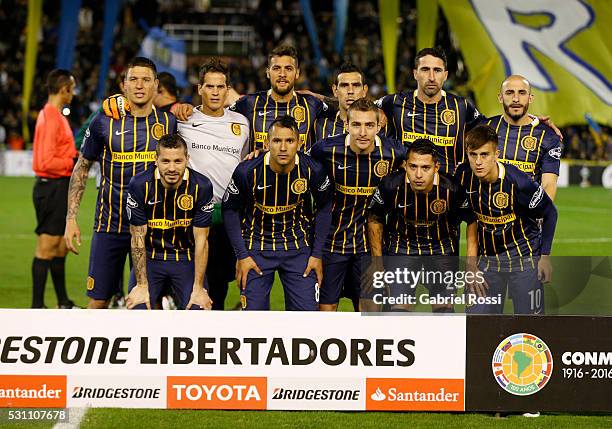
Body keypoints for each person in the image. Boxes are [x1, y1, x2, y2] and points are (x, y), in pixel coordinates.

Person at [64, 56, 177, 309]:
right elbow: (82, 168)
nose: (139, 85)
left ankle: (148, 349)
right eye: (133, 79)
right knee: (98, 300)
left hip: (153, 227)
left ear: (156, 85)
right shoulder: (104, 121)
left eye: (146, 80)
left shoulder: (168, 123)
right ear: (123, 84)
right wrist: (71, 218)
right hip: (109, 224)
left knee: (147, 300)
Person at [375, 47, 562, 175]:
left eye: (437, 70)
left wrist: (529, 121)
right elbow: (360, 113)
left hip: (447, 199)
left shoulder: (461, 107)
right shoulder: (394, 103)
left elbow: (493, 128)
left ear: (445, 75)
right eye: (425, 70)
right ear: (415, 73)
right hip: (404, 194)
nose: (431, 77)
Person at [222, 115, 333, 311]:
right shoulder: (247, 171)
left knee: (307, 318)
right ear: (267, 143)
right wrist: (242, 255)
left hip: (298, 248)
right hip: (256, 248)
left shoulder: (313, 169)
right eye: (277, 141)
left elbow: (325, 207)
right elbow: (229, 209)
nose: (283, 147)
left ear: (299, 143)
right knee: (253, 319)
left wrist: (316, 254)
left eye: (289, 141)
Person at [309, 98, 405, 311]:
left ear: (379, 126)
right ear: (346, 125)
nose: (363, 132)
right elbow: (297, 165)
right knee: (326, 310)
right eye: (357, 124)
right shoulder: (325, 150)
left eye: (369, 125)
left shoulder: (394, 153)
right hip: (332, 244)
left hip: (369, 249)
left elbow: (421, 163)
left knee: (370, 311)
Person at [456, 125, 558, 314]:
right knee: (477, 325)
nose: (478, 161)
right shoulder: (463, 177)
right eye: (473, 155)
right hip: (487, 263)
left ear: (496, 154)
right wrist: (470, 265)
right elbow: (471, 219)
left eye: (485, 155)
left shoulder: (519, 182)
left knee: (530, 327)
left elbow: (550, 213)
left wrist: (544, 257)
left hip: (524, 261)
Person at [177, 58, 250, 309]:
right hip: (192, 213)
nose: (216, 92)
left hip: (226, 214)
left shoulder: (241, 123)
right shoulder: (183, 120)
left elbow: (245, 163)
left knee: (220, 282)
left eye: (221, 87)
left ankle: (214, 334)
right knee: (190, 280)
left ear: (227, 89)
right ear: (200, 89)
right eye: (210, 86)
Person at [367, 139, 468, 312]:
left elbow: (471, 220)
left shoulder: (452, 188)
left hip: (441, 248)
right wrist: (377, 262)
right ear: (405, 165)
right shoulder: (391, 185)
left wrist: (471, 265)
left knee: (444, 311)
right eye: (413, 167)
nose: (418, 174)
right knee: (399, 311)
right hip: (402, 247)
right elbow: (374, 218)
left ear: (436, 167)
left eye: (425, 168)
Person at [125, 134, 214, 310]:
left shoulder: (201, 186)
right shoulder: (139, 184)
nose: (172, 168)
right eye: (165, 161)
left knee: (198, 309)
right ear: (155, 160)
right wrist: (142, 286)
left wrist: (198, 287)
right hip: (151, 256)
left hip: (185, 257)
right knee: (138, 307)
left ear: (187, 159)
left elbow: (202, 240)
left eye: (178, 161)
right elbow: (137, 237)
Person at [31, 69, 78, 309]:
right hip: (52, 188)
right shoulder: (50, 117)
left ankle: (62, 302)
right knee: (47, 247)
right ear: (64, 89)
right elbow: (44, 162)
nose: (74, 93)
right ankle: (37, 307)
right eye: (72, 88)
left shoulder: (54, 115)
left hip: (57, 188)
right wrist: (72, 162)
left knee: (60, 247)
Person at [488, 75, 561, 200]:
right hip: (489, 216)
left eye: (522, 93)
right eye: (509, 93)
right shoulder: (484, 128)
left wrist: (542, 212)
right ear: (500, 98)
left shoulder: (548, 137)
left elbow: (549, 184)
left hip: (527, 216)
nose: (516, 99)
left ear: (530, 98)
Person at [313, 62, 369, 141]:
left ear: (364, 90)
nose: (350, 91)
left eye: (356, 85)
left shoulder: (379, 125)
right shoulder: (320, 126)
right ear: (335, 90)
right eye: (344, 85)